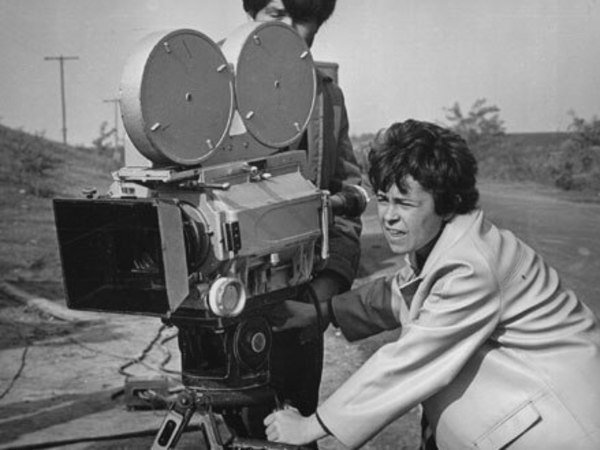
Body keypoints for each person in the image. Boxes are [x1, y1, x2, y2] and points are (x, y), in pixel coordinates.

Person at [264, 119, 600, 449]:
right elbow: (403, 292)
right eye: (383, 199)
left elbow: (411, 359)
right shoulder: (447, 244)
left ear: (448, 203)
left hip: (563, 428)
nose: (389, 216)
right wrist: (322, 311)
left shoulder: (472, 264)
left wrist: (313, 425)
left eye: (405, 203)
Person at [241, 0, 364, 435]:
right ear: (252, 13)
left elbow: (348, 198)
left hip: (299, 304)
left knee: (293, 427)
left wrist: (322, 294)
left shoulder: (327, 96)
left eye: (303, 16)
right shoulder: (204, 86)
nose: (289, 27)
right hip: (225, 307)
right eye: (276, 13)